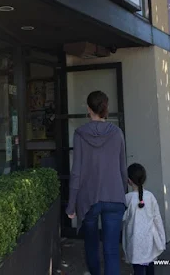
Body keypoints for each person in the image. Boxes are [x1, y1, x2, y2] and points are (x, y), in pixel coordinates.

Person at [66, 91, 128, 275]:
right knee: (111, 251)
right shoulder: (117, 133)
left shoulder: (80, 134)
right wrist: (123, 192)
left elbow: (76, 172)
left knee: (91, 246)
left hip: (89, 199)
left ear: (88, 108)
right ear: (105, 108)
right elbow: (122, 168)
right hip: (114, 197)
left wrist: (71, 205)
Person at [122, 163, 166, 275]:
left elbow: (123, 218)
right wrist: (161, 239)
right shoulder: (150, 196)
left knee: (139, 268)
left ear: (129, 181)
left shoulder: (127, 198)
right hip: (149, 240)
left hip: (134, 241)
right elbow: (157, 219)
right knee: (149, 266)